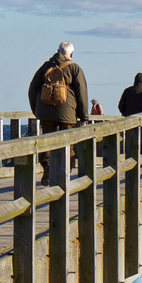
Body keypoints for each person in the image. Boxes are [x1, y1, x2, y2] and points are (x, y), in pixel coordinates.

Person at [27, 40, 90, 182]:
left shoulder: (46, 66)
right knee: (68, 143)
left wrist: (36, 110)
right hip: (67, 113)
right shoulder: (74, 68)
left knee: (46, 142)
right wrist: (84, 117)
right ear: (71, 54)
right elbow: (82, 93)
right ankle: (65, 174)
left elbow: (33, 88)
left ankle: (48, 168)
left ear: (58, 51)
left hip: (45, 111)